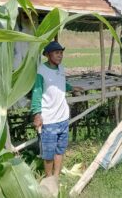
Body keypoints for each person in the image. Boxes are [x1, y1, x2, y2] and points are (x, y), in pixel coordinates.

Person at [31, 41, 83, 178]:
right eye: (57, 53)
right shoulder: (41, 70)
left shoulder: (61, 68)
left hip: (63, 117)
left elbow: (60, 83)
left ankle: (56, 176)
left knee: (60, 149)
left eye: (61, 53)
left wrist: (71, 88)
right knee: (48, 153)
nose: (60, 56)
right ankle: (49, 178)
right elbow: (36, 92)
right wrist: (37, 114)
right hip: (49, 119)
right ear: (48, 55)